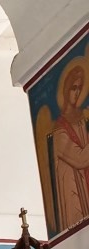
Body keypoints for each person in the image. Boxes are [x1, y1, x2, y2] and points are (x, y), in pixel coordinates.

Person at [50, 63, 89, 233]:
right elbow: (80, 159)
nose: (77, 92)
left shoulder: (81, 121)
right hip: (73, 194)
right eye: (74, 88)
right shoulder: (59, 131)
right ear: (66, 90)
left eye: (80, 88)